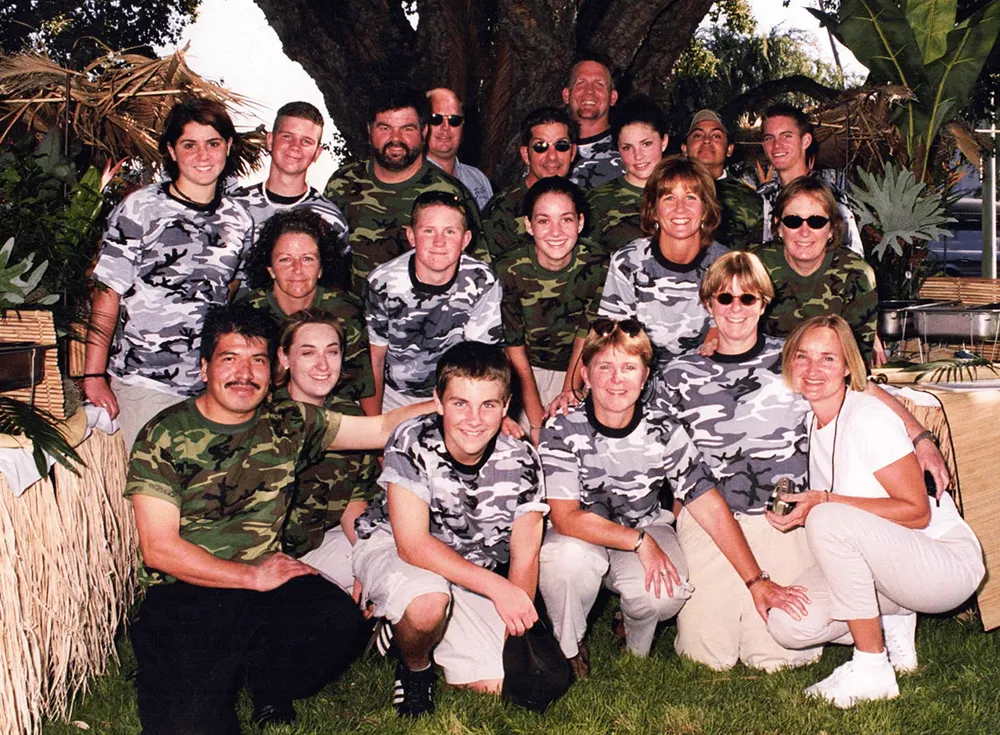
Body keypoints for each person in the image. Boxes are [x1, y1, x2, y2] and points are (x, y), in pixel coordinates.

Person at [125, 304, 433, 733]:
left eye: (257, 361)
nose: (244, 373)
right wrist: (250, 577)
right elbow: (159, 549)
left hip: (265, 585)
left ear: (272, 370)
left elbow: (381, 429)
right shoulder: (165, 434)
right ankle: (192, 669)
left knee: (339, 623)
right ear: (204, 367)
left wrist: (455, 404)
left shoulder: (288, 421)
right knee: (191, 724)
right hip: (190, 590)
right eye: (229, 359)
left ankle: (262, 676)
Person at [765, 315, 984, 708]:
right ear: (790, 362)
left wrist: (824, 502)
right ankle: (895, 614)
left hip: (944, 565)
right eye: (803, 356)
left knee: (828, 517)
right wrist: (800, 511)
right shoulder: (814, 418)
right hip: (891, 562)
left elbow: (917, 513)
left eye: (828, 358)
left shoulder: (868, 417)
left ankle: (871, 668)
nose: (813, 369)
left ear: (848, 366)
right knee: (789, 624)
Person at [352, 342, 548, 716]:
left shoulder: (522, 458)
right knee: (428, 602)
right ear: (438, 402)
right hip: (396, 546)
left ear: (506, 406)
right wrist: (497, 589)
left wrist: (515, 630)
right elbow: (413, 545)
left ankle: (401, 630)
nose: (473, 419)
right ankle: (415, 669)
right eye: (460, 403)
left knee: (497, 683)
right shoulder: (411, 438)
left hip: (464, 569)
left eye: (488, 405)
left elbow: (525, 553)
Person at [655, 251, 820, 672]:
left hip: (782, 519)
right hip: (711, 519)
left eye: (747, 298)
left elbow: (856, 392)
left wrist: (920, 438)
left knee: (778, 654)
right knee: (707, 655)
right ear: (708, 304)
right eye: (724, 298)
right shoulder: (676, 376)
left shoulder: (796, 361)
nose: (735, 308)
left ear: (763, 303)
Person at [83, 97, 253, 451]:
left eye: (213, 143)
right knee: (154, 482)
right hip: (146, 383)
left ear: (228, 146)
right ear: (172, 151)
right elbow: (106, 293)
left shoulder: (240, 220)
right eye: (189, 145)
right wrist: (94, 375)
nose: (203, 155)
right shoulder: (140, 208)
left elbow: (233, 290)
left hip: (211, 389)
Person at [537, 321, 698, 676]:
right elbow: (565, 517)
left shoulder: (664, 425)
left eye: (628, 367)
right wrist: (640, 543)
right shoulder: (560, 426)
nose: (616, 379)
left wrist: (754, 579)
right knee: (564, 559)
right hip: (580, 533)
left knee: (666, 593)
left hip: (645, 522)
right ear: (585, 374)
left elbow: (698, 495)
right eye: (605, 367)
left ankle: (635, 642)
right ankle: (569, 645)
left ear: (645, 376)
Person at [324, 86, 487, 295]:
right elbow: (321, 263)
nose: (395, 138)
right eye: (385, 128)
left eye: (407, 129)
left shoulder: (450, 192)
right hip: (354, 311)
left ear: (424, 131)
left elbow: (478, 273)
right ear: (369, 130)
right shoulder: (342, 184)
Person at [273, 309, 380, 594]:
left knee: (390, 557)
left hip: (317, 547)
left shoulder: (348, 413)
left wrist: (365, 561)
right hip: (263, 559)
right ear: (285, 358)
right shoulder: (267, 415)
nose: (322, 365)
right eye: (308, 353)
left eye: (332, 352)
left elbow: (354, 497)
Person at [365, 191, 503, 411]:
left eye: (450, 231)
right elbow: (375, 359)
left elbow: (481, 360)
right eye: (428, 231)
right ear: (411, 236)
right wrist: (374, 423)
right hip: (395, 394)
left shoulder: (482, 281)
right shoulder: (382, 282)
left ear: (466, 239)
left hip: (458, 390)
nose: (439, 242)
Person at [496, 177, 607, 442]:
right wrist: (537, 426)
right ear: (528, 225)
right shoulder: (509, 269)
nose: (556, 231)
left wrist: (569, 391)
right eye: (544, 221)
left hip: (577, 367)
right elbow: (514, 349)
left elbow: (586, 335)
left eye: (566, 219)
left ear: (580, 222)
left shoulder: (598, 265)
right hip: (524, 372)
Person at [596, 156, 728, 370]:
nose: (680, 208)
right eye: (668, 198)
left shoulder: (726, 264)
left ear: (705, 210)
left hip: (704, 373)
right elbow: (612, 338)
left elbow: (726, 330)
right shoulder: (628, 262)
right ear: (654, 211)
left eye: (691, 197)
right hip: (639, 372)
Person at [241, 208, 377, 413]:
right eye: (285, 259)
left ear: (321, 268)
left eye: (308, 259)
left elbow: (362, 387)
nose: (297, 269)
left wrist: (373, 430)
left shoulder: (346, 312)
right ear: (270, 269)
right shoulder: (248, 312)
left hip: (330, 412)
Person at [754, 176, 878, 363]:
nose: (804, 232)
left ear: (831, 229)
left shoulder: (856, 275)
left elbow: (856, 359)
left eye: (817, 222)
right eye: (793, 221)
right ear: (779, 227)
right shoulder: (754, 266)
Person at [231, 101, 351, 290]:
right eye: (287, 136)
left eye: (306, 141)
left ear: (317, 153)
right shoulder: (233, 207)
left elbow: (334, 290)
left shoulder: (330, 219)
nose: (295, 146)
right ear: (270, 140)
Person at [757, 103, 862, 255]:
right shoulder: (762, 196)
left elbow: (853, 256)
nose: (777, 145)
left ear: (805, 141)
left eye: (786, 136)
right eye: (769, 138)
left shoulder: (829, 195)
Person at [482, 106, 578, 261]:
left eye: (561, 146)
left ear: (572, 152)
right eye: (540, 147)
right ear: (526, 155)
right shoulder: (502, 210)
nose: (552, 157)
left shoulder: (584, 202)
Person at [587, 95, 669, 257]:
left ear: (664, 142)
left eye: (646, 144)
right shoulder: (598, 200)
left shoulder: (687, 191)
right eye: (627, 147)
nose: (637, 156)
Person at [681, 109, 763, 251]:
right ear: (685, 149)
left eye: (716, 136)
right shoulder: (666, 191)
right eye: (698, 135)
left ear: (729, 149)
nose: (707, 140)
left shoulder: (751, 201)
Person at [562, 55, 625, 190]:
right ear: (566, 95)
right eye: (581, 83)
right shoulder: (547, 151)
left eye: (599, 84)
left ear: (613, 97)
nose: (589, 92)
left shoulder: (630, 151)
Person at [425, 88, 493, 210]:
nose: (445, 127)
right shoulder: (409, 179)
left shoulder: (477, 179)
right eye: (436, 119)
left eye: (454, 120)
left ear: (463, 125)